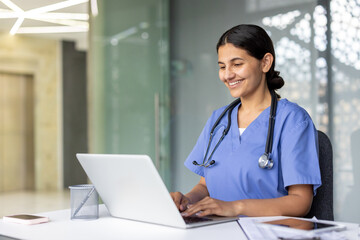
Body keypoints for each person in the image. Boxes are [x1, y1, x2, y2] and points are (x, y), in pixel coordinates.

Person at [170, 24, 321, 218]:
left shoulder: (292, 120)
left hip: (267, 232)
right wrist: (187, 201)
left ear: (265, 63)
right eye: (222, 66)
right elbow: (205, 186)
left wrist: (235, 207)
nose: (227, 75)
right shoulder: (219, 120)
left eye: (237, 64)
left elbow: (300, 201)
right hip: (218, 229)